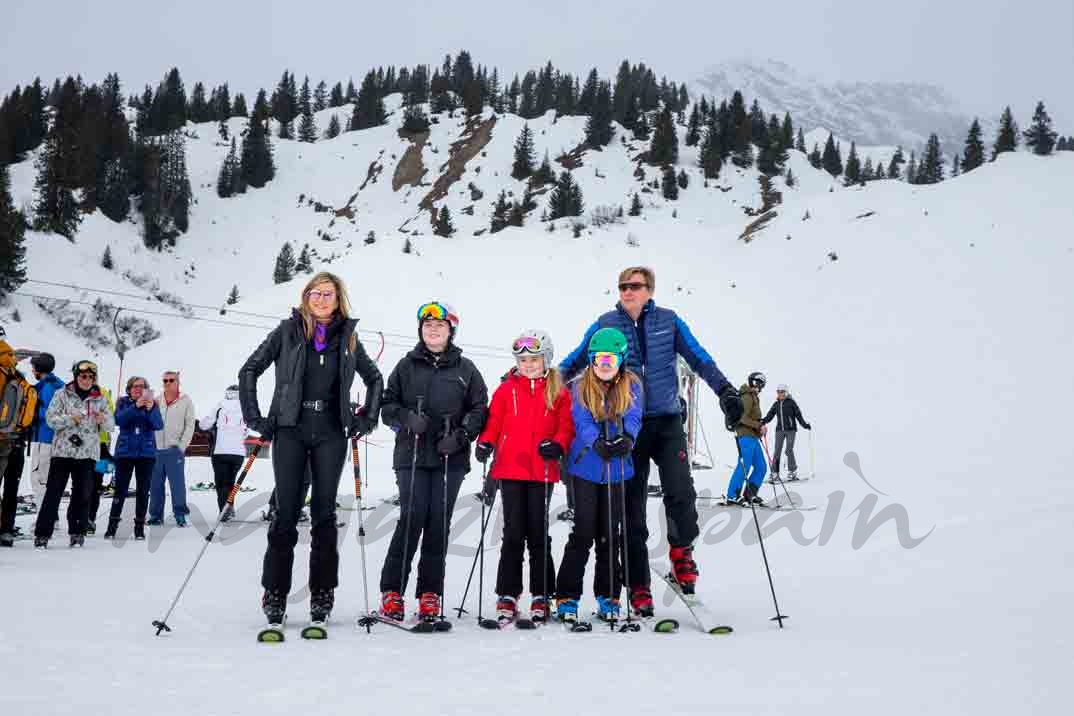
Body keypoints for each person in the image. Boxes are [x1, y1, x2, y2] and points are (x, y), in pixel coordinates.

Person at [559, 266, 742, 609]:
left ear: (649, 290)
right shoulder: (605, 324)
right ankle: (638, 583)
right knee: (631, 510)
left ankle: (681, 551)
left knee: (681, 490)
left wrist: (727, 392)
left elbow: (699, 358)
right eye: (622, 286)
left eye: (635, 286)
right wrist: (537, 380)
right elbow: (573, 362)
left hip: (667, 421)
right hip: (627, 425)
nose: (627, 291)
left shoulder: (669, 321)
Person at [240, 272, 383, 628]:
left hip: (331, 432)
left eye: (328, 294)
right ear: (306, 297)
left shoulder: (347, 336)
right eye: (315, 293)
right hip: (290, 430)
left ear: (338, 300)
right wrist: (256, 418)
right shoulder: (286, 331)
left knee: (324, 515)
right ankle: (274, 592)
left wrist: (366, 418)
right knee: (285, 513)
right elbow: (250, 369)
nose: (321, 299)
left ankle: (323, 592)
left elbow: (375, 378)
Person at [377, 301, 488, 623]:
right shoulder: (406, 365)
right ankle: (392, 591)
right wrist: (405, 417)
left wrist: (463, 436)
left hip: (449, 457)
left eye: (440, 325)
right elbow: (387, 404)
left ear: (451, 331)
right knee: (411, 518)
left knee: (439, 522)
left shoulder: (465, 369)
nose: (434, 330)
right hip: (410, 454)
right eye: (427, 325)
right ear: (420, 330)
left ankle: (430, 593)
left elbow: (480, 408)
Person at [474, 330, 574, 624]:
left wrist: (557, 444)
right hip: (510, 469)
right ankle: (507, 593)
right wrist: (486, 442)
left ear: (546, 359)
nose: (528, 364)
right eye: (523, 359)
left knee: (538, 533)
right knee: (513, 533)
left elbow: (566, 426)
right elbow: (494, 421)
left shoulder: (558, 391)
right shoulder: (506, 390)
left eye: (534, 359)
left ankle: (542, 594)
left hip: (541, 470)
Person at [555, 328, 642, 623]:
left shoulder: (632, 386)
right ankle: (567, 596)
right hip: (586, 468)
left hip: (617, 469)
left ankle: (608, 595)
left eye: (610, 358)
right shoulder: (580, 386)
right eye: (598, 358)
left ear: (620, 359)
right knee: (583, 532)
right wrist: (596, 443)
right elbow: (580, 419)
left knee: (609, 535)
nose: (604, 364)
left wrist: (627, 438)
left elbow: (633, 416)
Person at [32, 360, 114, 549]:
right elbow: (50, 419)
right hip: (62, 452)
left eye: (90, 377)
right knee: (53, 493)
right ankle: (42, 533)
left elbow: (110, 425)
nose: (87, 380)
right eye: (83, 376)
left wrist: (103, 420)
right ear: (76, 376)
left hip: (87, 455)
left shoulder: (100, 397)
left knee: (82, 495)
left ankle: (77, 533)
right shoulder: (62, 394)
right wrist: (70, 419)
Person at [106, 376, 163, 540]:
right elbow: (119, 420)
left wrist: (151, 409)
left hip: (146, 453)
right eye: (135, 386)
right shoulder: (123, 403)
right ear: (129, 389)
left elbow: (158, 425)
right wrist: (136, 406)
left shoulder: (153, 404)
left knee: (143, 491)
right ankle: (112, 526)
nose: (139, 389)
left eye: (142, 386)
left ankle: (139, 527)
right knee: (120, 490)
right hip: (125, 453)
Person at [147, 370, 195, 527]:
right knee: (155, 485)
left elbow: (190, 425)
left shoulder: (186, 401)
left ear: (178, 382)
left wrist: (181, 446)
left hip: (174, 450)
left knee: (177, 485)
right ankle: (155, 515)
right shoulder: (156, 400)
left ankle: (180, 514)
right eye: (165, 381)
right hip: (156, 450)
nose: (167, 383)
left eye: (171, 380)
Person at [0, 340, 33, 546]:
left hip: (1, 438)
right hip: (17, 439)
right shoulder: (16, 375)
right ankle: (7, 530)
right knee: (11, 488)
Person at [199, 384, 248, 517]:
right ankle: (230, 506)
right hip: (238, 453)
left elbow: (204, 425)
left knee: (221, 483)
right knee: (231, 481)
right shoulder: (246, 407)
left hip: (220, 451)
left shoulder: (220, 406)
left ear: (227, 393)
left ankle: (224, 510)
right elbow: (248, 430)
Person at [725, 372, 769, 506]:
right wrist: (758, 425)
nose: (760, 387)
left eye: (762, 385)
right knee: (745, 465)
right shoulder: (747, 396)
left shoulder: (753, 397)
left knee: (761, 467)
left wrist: (759, 427)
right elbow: (742, 417)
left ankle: (750, 494)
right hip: (745, 435)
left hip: (753, 436)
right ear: (754, 382)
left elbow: (752, 417)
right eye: (759, 384)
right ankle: (732, 495)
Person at [26, 353, 64, 506]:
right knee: (48, 479)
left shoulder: (48, 388)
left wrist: (31, 413)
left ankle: (45, 518)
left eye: (34, 368)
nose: (32, 371)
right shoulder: (57, 384)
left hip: (44, 438)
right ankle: (50, 517)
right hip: (54, 440)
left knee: (39, 479)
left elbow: (49, 413)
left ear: (39, 369)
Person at [762, 384, 811, 482]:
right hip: (779, 430)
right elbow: (770, 415)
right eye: (778, 392)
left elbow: (798, 415)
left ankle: (792, 472)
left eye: (782, 392)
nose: (780, 394)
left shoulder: (791, 403)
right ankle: (774, 473)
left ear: (786, 392)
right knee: (777, 451)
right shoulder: (776, 404)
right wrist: (763, 421)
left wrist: (804, 425)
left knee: (789, 449)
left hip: (791, 430)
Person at [85, 386, 115, 535]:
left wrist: (102, 417)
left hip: (101, 446)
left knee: (96, 485)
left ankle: (89, 519)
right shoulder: (75, 392)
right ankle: (81, 518)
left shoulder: (103, 392)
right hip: (81, 446)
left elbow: (111, 417)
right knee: (81, 484)